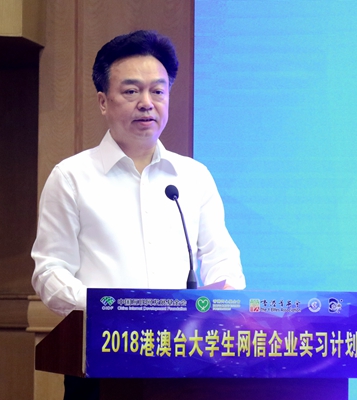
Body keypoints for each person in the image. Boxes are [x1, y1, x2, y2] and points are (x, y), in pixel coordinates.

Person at [31, 29, 246, 400]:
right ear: (103, 101)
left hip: (184, 361)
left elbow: (223, 263)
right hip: (102, 361)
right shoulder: (71, 177)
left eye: (158, 91)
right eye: (131, 91)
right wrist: (113, 311)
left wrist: (214, 306)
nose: (147, 103)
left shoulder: (193, 177)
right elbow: (49, 272)